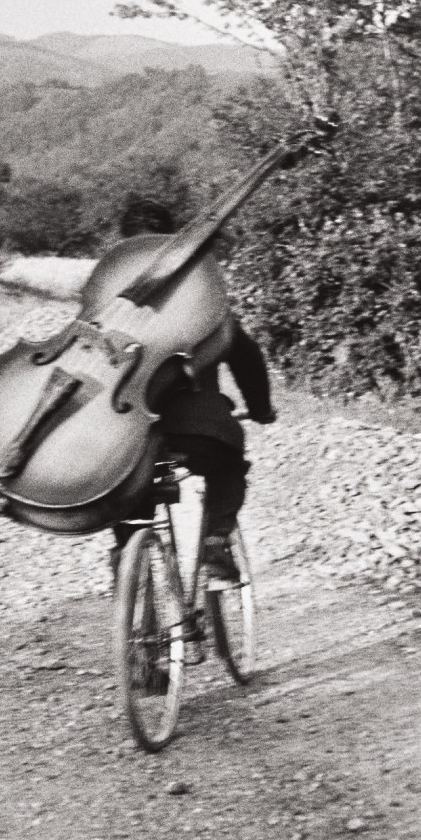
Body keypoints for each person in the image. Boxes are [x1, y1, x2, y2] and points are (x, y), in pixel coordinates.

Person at [110, 199, 275, 584]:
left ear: (123, 246)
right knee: (229, 465)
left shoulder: (107, 300)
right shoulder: (199, 296)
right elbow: (245, 355)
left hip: (128, 433)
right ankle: (215, 544)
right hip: (197, 431)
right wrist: (261, 408)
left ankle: (126, 557)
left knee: (122, 482)